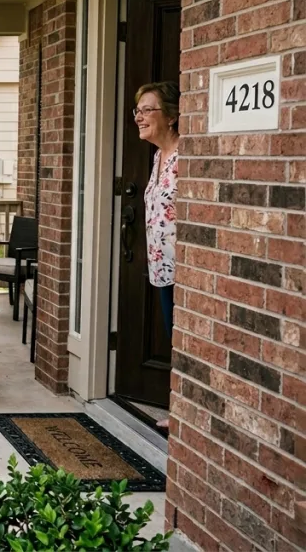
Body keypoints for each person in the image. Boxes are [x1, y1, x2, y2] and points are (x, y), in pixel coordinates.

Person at [135, 81, 180, 429]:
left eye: (147, 109)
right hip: (162, 268)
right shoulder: (158, 158)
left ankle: (181, 413)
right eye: (138, 110)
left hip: (185, 270)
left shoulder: (185, 156)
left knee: (183, 339)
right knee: (174, 338)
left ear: (172, 115)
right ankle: (179, 411)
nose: (139, 116)